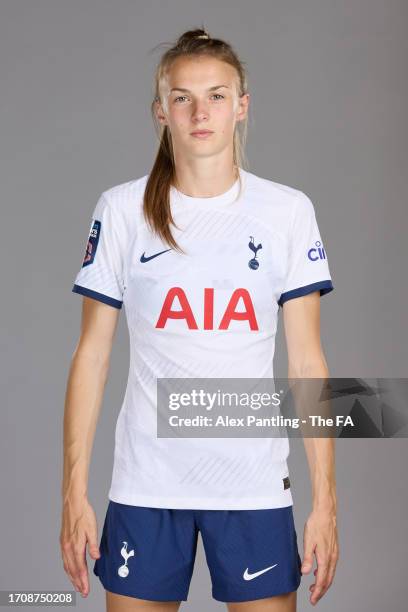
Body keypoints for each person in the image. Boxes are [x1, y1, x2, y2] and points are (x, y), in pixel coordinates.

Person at [60, 27, 339, 612]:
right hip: (145, 485)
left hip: (253, 486)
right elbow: (92, 355)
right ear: (160, 110)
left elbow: (307, 362)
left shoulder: (287, 212)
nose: (199, 112)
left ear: (242, 106)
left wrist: (325, 503)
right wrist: (74, 491)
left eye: (216, 95)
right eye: (182, 97)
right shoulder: (122, 210)